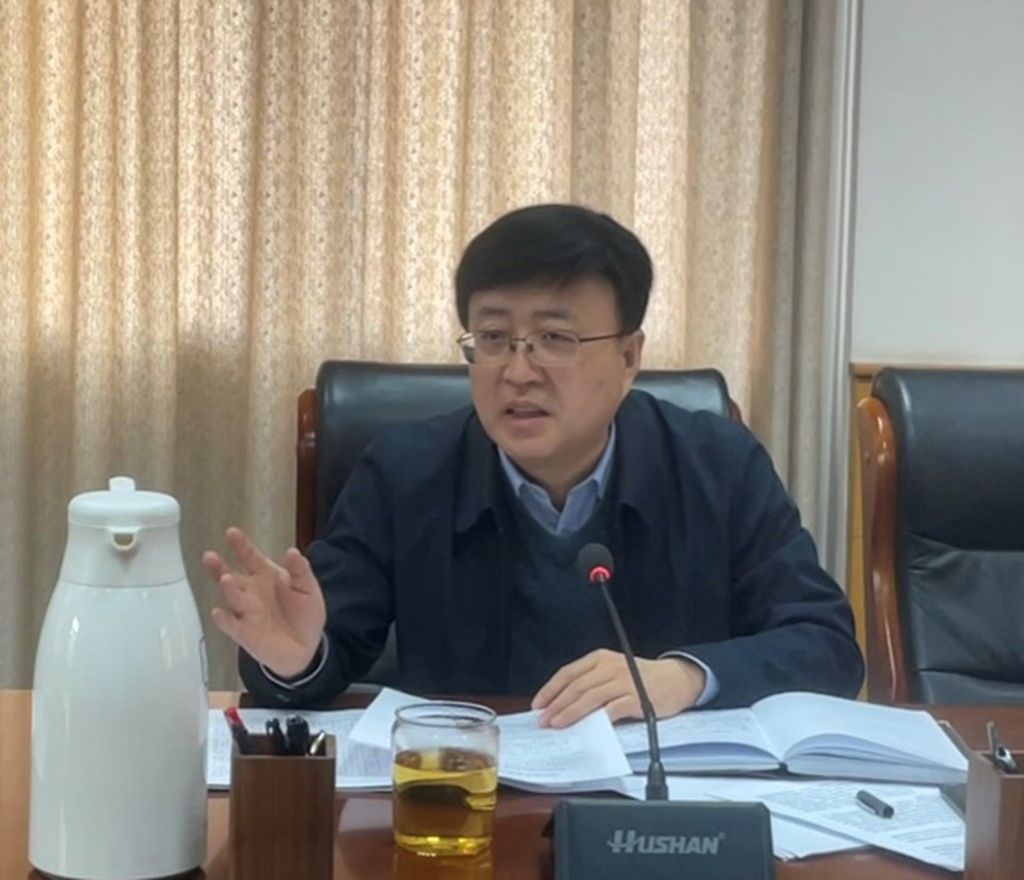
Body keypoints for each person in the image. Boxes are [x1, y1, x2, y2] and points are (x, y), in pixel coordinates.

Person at [203, 203, 863, 728]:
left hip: (664, 811)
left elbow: (825, 644)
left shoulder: (718, 465)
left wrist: (683, 677)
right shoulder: (404, 472)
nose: (518, 372)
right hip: (463, 803)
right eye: (493, 338)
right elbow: (321, 650)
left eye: (555, 338)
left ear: (629, 357)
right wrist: (295, 659)